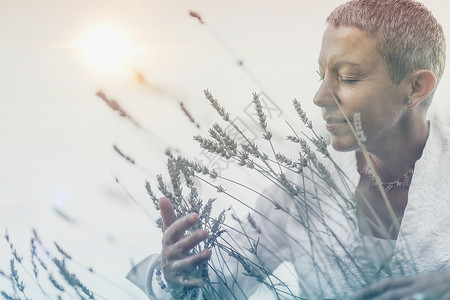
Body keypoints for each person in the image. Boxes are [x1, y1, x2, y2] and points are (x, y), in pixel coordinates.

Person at [127, 0, 450, 298]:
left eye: (348, 77)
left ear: (416, 87)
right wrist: (175, 274)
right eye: (322, 75)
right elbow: (219, 286)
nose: (321, 97)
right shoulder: (304, 187)